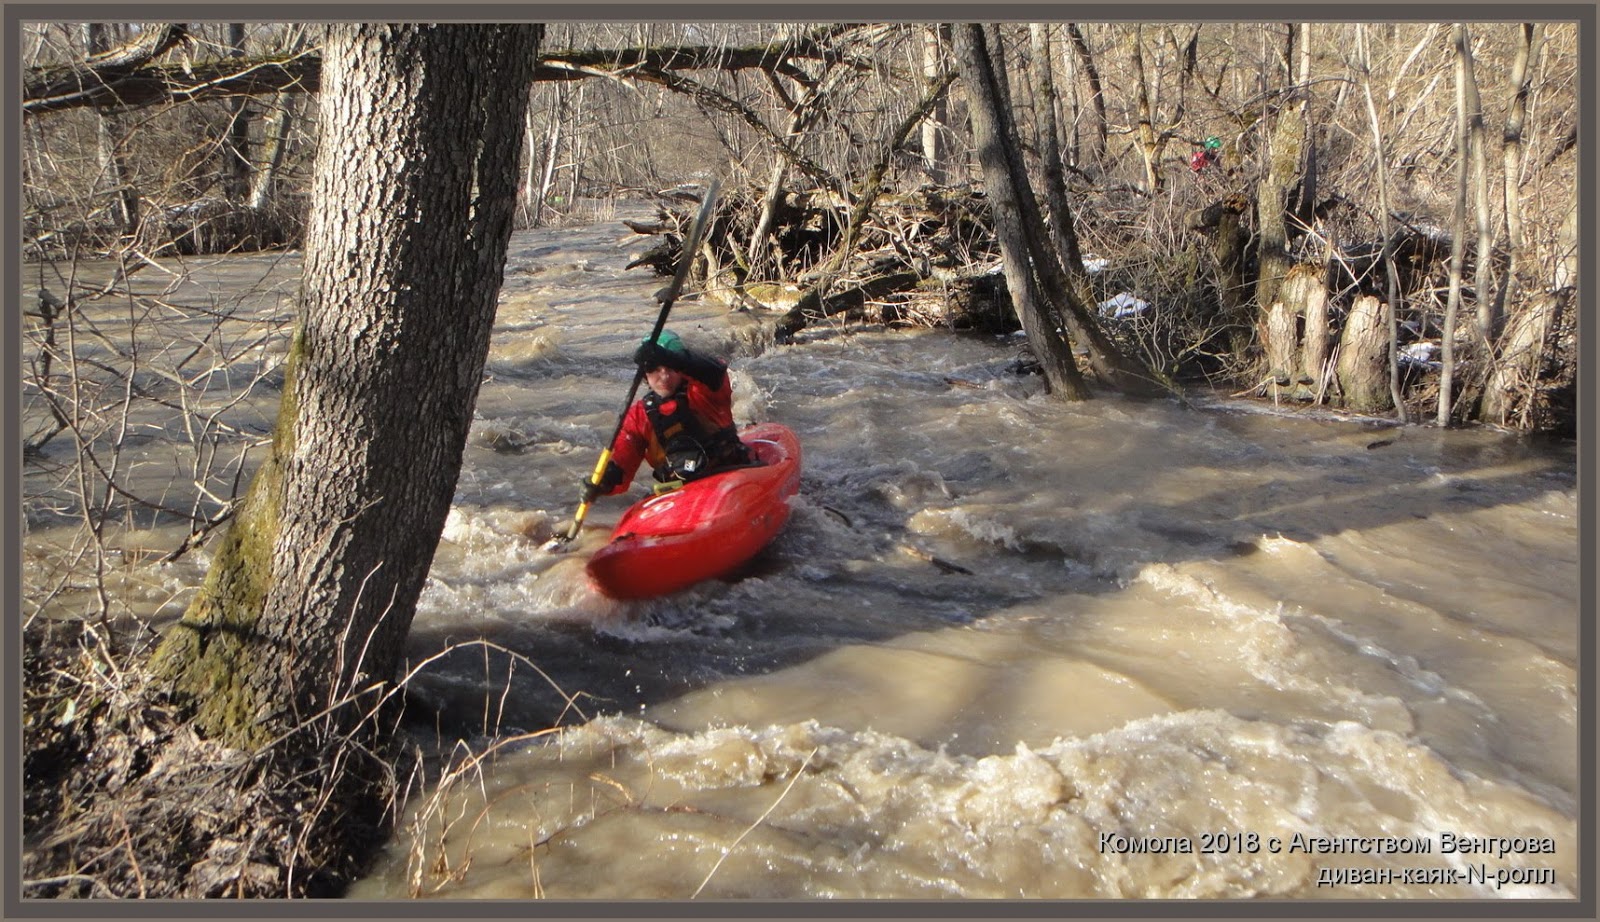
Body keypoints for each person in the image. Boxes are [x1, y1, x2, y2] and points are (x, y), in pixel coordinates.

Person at [582, 329, 752, 501]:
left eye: (670, 368)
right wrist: (604, 481)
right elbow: (623, 465)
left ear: (682, 369)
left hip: (726, 477)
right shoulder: (639, 416)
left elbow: (715, 370)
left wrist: (675, 358)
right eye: (655, 368)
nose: (664, 376)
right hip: (680, 492)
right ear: (644, 373)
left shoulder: (704, 392)